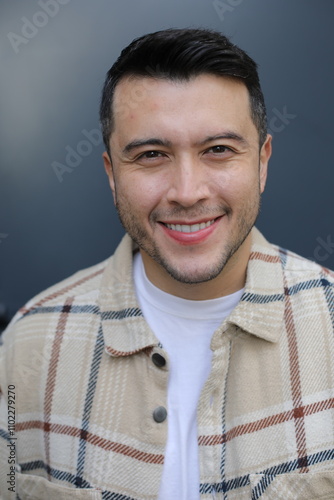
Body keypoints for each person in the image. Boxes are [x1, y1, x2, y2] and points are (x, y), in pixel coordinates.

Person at [1, 28, 334, 500]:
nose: (186, 190)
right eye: (151, 155)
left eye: (218, 150)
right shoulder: (25, 347)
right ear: (111, 175)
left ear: (262, 162)